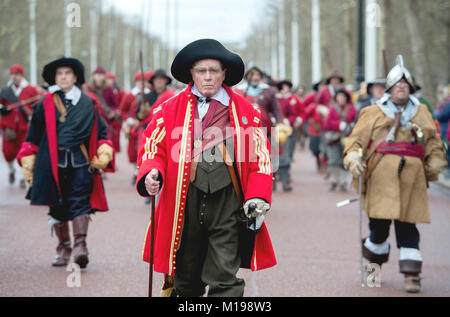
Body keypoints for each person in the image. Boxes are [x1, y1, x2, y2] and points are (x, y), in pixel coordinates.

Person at [136, 39, 276, 297]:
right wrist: (151, 172)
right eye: (201, 71)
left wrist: (257, 196)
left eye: (214, 71)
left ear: (225, 74)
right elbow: (152, 148)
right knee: (186, 280)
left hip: (228, 203)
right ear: (192, 74)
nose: (208, 77)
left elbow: (261, 159)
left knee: (224, 277)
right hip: (183, 202)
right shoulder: (168, 109)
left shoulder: (247, 112)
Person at [343, 55, 447, 293]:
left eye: (405, 83)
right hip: (380, 178)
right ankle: (373, 271)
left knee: (408, 228)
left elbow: (433, 143)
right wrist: (353, 157)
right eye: (397, 83)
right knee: (378, 229)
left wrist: (435, 162)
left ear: (410, 86)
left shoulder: (421, 111)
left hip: (412, 182)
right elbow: (355, 141)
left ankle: (412, 275)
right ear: (389, 88)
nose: (401, 86)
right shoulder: (372, 111)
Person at [16, 57, 115, 268]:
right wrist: (28, 159)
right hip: (51, 163)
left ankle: (81, 247)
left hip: (80, 162)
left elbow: (101, 132)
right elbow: (33, 137)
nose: (63, 77)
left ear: (75, 77)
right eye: (59, 74)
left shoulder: (88, 103)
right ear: (54, 78)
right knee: (57, 206)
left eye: (67, 73)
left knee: (80, 201)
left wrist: (104, 149)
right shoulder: (44, 105)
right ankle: (64, 247)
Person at [0, 64, 41, 187]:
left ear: (21, 75)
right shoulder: (6, 90)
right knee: (8, 153)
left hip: (25, 128)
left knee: (24, 152)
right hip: (9, 128)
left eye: (17, 74)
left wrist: (29, 112)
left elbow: (38, 107)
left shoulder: (31, 90)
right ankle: (11, 170)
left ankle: (24, 176)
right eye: (13, 74)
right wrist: (3, 109)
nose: (14, 77)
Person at [234, 65, 286, 139]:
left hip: (265, 130)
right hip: (245, 130)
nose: (255, 77)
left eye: (257, 75)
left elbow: (276, 110)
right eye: (252, 75)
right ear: (246, 77)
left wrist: (280, 124)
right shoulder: (238, 91)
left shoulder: (268, 90)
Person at [322, 89, 356, 191]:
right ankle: (334, 180)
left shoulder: (352, 109)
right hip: (334, 138)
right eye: (339, 96)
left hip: (347, 138)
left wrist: (350, 126)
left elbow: (356, 120)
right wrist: (338, 125)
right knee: (333, 160)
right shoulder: (333, 109)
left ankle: (344, 182)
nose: (341, 98)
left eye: (343, 96)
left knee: (345, 161)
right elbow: (327, 124)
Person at [275, 80, 303, 191]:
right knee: (271, 157)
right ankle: (271, 184)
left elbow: (293, 114)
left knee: (285, 156)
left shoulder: (286, 101)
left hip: (284, 132)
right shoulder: (272, 100)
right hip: (271, 130)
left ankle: (285, 181)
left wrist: (288, 121)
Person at [88, 66, 121, 153]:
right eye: (97, 74)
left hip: (106, 123)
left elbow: (115, 105)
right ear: (94, 76)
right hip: (92, 121)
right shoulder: (89, 89)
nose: (99, 77)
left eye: (101, 74)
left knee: (106, 145)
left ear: (104, 76)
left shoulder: (108, 89)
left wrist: (113, 113)